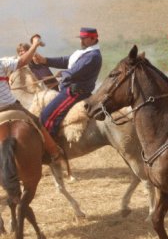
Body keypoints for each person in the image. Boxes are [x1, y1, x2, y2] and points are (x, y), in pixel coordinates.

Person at [0, 35, 66, 164]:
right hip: (9, 105)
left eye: (23, 51)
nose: (21, 53)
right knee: (36, 122)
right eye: (20, 51)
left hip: (40, 92)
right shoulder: (3, 62)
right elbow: (22, 62)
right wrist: (35, 44)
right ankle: (54, 151)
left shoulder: (37, 64)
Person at [33, 27, 102, 137]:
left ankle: (53, 149)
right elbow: (66, 61)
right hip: (71, 89)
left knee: (46, 116)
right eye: (81, 38)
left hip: (75, 92)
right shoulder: (85, 52)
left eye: (84, 38)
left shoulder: (92, 56)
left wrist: (63, 74)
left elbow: (74, 72)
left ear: (93, 39)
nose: (81, 41)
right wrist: (45, 60)